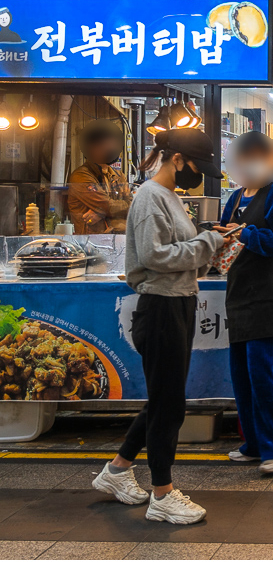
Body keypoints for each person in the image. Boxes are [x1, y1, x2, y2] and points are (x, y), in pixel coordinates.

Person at [92, 128, 226, 525]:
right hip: (161, 308)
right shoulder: (152, 197)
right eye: (196, 167)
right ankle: (162, 494)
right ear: (177, 159)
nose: (198, 175)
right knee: (170, 405)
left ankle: (116, 471)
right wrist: (208, 243)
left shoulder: (170, 197)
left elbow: (177, 253)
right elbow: (155, 255)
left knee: (164, 399)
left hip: (177, 304)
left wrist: (207, 241)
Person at [215, 132, 273, 475]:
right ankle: (254, 444)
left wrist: (246, 233)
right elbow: (227, 233)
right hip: (238, 295)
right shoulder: (235, 197)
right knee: (242, 376)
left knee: (262, 374)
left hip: (267, 298)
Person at [67, 119, 132, 234]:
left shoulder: (119, 175)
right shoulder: (81, 176)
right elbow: (108, 205)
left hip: (117, 239)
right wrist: (106, 210)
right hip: (90, 242)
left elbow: (132, 205)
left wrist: (101, 212)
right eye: (108, 144)